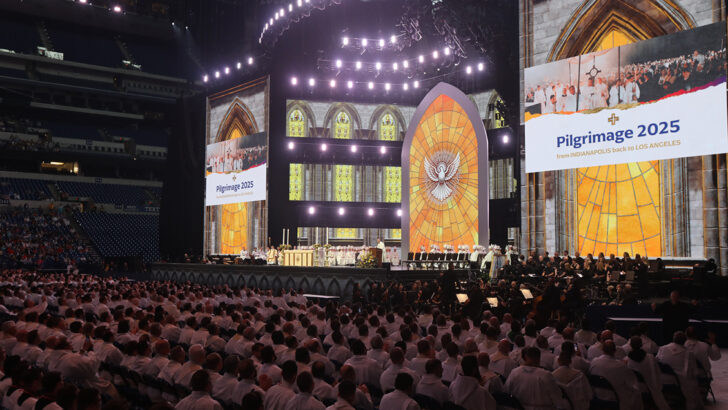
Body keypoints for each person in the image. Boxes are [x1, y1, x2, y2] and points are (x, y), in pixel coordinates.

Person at [589, 341, 642, 410]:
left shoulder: (594, 362)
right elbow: (632, 384)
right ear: (615, 350)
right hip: (616, 400)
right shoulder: (621, 366)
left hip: (598, 397)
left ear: (602, 349)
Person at [656, 331, 703, 410]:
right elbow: (695, 372)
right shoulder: (689, 354)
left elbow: (657, 362)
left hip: (661, 379)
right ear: (685, 341)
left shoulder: (662, 348)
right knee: (693, 383)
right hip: (678, 382)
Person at [625, 336, 670, 410]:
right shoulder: (650, 358)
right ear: (641, 345)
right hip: (651, 387)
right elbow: (657, 373)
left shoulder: (626, 360)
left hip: (634, 388)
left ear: (630, 345)